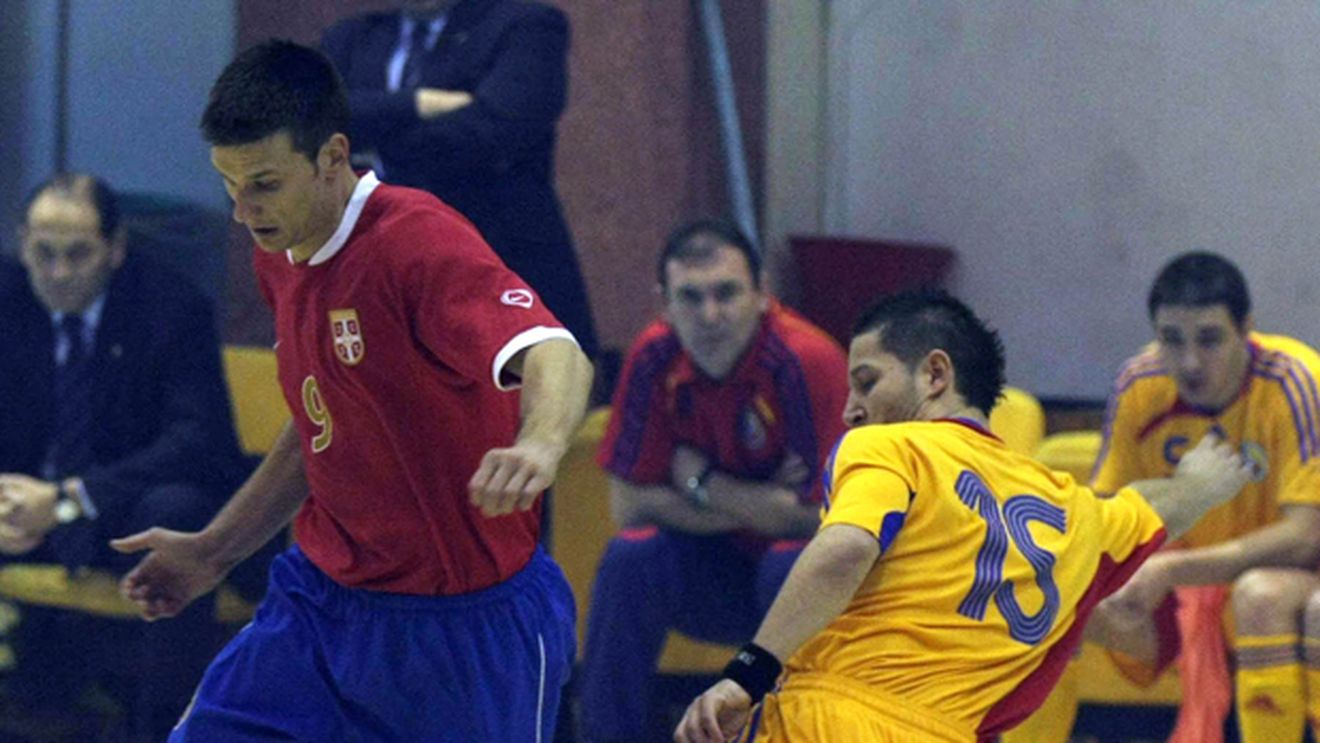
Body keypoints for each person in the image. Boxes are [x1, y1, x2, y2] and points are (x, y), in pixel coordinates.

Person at [110, 40, 593, 743]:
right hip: (321, 606)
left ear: (332, 157)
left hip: (463, 626)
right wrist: (216, 549)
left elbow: (557, 351)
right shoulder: (280, 252)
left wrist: (540, 443)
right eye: (229, 184)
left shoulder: (416, 242)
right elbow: (322, 421)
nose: (244, 211)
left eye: (265, 184)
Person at [673, 289, 1255, 743]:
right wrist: (1200, 485)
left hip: (833, 717)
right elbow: (1153, 508)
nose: (850, 410)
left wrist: (747, 673)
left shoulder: (888, 446)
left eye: (867, 382)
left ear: (934, 374)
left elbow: (846, 548)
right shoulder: (1072, 511)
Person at [1009, 252, 1320, 743]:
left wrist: (1172, 569)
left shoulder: (1295, 381)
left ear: (1247, 329)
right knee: (1049, 596)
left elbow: (1307, 537)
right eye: (1172, 340)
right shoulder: (1140, 382)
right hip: (1183, 585)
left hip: (1282, 574)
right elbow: (1105, 514)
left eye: (1210, 339)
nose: (1190, 362)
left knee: (1259, 594)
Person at [579, 219, 849, 742]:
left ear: (762, 294)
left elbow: (830, 525)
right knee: (632, 555)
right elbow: (629, 506)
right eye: (691, 297)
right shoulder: (654, 356)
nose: (710, 315)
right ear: (664, 303)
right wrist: (763, 504)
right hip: (712, 574)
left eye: (726, 293)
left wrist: (700, 482)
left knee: (787, 559)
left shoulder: (806, 360)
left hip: (801, 589)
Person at [0, 174, 244, 726]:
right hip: (21, 517)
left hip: (117, 516)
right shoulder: (7, 298)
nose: (58, 273)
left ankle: (164, 729)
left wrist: (68, 499)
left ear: (115, 249)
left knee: (177, 515)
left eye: (78, 254)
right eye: (43, 254)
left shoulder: (171, 309)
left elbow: (200, 443)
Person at [320, 0, 598, 358]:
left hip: (494, 267)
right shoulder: (352, 38)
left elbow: (493, 131)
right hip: (375, 278)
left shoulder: (524, 26)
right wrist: (414, 104)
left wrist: (368, 146)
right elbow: (312, 117)